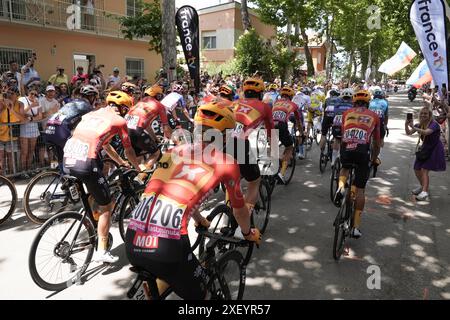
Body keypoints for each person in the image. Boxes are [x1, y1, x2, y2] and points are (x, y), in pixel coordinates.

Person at [125, 99, 261, 299]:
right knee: (202, 295)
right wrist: (248, 233)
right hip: (167, 247)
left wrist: (199, 220)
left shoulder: (171, 153)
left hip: (133, 238)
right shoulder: (226, 163)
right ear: (225, 135)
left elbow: (175, 194)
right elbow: (239, 211)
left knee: (168, 279)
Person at [64, 88, 142, 264]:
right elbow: (129, 149)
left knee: (94, 195)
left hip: (68, 159)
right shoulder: (119, 121)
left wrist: (121, 162)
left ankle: (90, 222)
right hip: (86, 162)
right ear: (123, 108)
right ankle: (101, 251)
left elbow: (106, 146)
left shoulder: (92, 114)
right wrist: (137, 168)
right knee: (107, 206)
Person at [334, 90, 381, 238]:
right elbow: (376, 142)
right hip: (362, 151)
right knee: (360, 190)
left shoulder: (346, 113)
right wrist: (374, 158)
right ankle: (355, 226)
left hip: (347, 147)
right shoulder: (374, 116)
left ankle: (341, 187)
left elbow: (343, 134)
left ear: (354, 102)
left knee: (345, 168)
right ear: (368, 103)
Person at [231, 78, 274, 210]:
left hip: (219, 139)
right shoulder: (265, 107)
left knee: (230, 176)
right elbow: (271, 131)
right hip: (239, 143)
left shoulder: (235, 103)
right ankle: (245, 221)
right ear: (260, 94)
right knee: (255, 181)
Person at [43, 85, 98, 172]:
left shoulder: (71, 102)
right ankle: (72, 178)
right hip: (60, 132)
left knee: (62, 159)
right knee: (77, 157)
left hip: (49, 129)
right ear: (92, 97)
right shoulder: (87, 106)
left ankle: (64, 179)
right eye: (95, 98)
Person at [405, 107, 446, 201]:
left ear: (430, 115)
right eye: (422, 113)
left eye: (426, 114)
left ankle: (424, 192)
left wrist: (414, 127)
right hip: (425, 149)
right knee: (416, 168)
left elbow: (427, 133)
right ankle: (422, 186)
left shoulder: (434, 124)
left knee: (424, 169)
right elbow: (408, 133)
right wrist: (406, 125)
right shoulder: (419, 124)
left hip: (435, 149)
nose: (423, 115)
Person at [272, 86, 302, 183]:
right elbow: (298, 121)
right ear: (291, 96)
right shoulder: (293, 105)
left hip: (270, 125)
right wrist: (301, 132)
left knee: (272, 147)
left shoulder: (276, 102)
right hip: (281, 125)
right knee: (289, 147)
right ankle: (281, 173)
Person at [0, 86, 26, 175]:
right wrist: (4, 106)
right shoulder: (1, 102)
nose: (10, 95)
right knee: (1, 158)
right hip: (1, 134)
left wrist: (12, 110)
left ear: (17, 95)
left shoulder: (20, 104)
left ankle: (11, 176)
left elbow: (22, 119)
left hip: (12, 135)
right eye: (9, 93)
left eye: (12, 93)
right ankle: (2, 177)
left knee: (11, 157)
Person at [19, 89, 42, 177]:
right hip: (24, 128)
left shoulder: (38, 101)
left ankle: (28, 170)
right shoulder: (22, 99)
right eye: (32, 93)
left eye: (36, 94)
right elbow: (21, 113)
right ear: (28, 92)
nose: (33, 96)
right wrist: (31, 106)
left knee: (31, 150)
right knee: (24, 151)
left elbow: (40, 116)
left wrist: (30, 118)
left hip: (34, 128)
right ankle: (22, 171)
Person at [319, 88, 341, 161]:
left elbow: (324, 111)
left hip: (326, 118)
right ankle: (333, 146)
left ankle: (322, 153)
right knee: (335, 137)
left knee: (323, 135)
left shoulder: (327, 100)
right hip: (335, 118)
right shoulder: (339, 100)